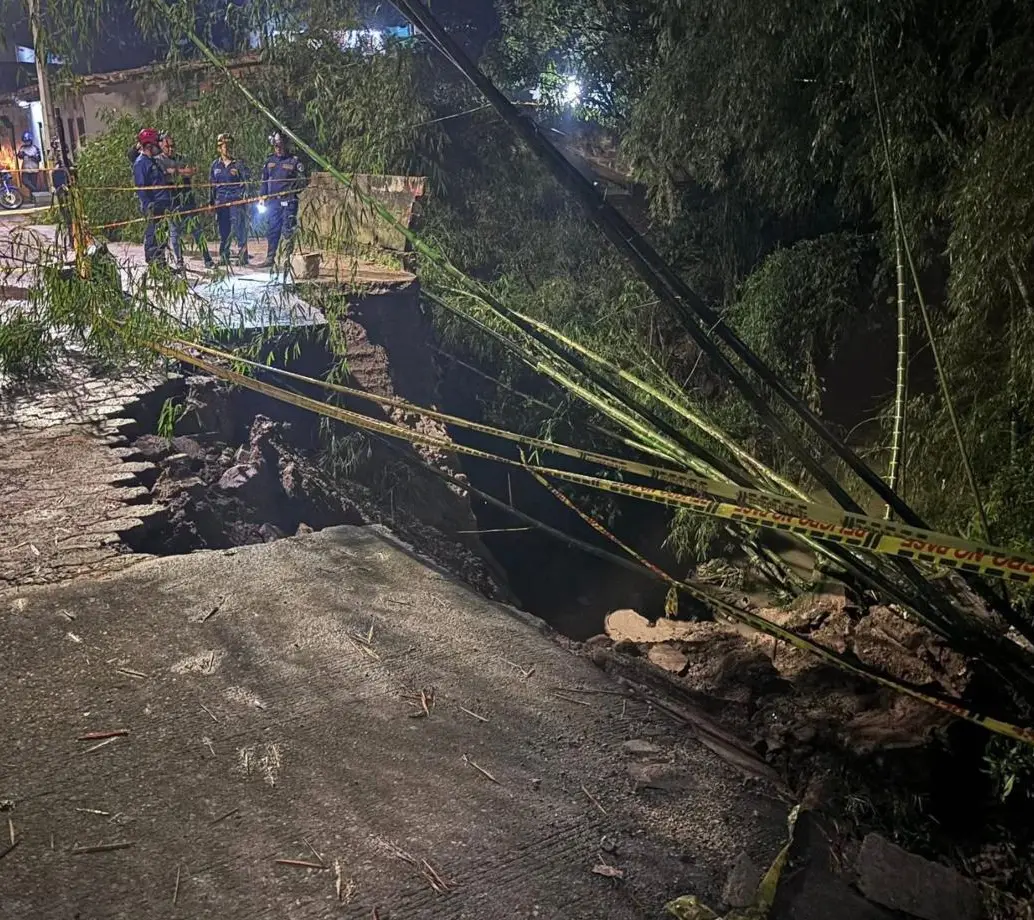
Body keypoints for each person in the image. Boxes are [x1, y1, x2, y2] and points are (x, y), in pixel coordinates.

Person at [157, 132, 214, 270]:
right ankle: (180, 261)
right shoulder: (158, 160)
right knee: (174, 233)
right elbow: (164, 176)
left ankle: (207, 259)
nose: (171, 149)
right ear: (160, 145)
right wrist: (180, 172)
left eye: (173, 146)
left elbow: (193, 170)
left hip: (188, 200)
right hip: (172, 202)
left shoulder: (182, 158)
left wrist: (176, 172)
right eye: (167, 146)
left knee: (197, 231)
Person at [259, 131, 307, 270]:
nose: (278, 148)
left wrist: (294, 190)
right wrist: (262, 196)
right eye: (275, 146)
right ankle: (270, 257)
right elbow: (264, 180)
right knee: (272, 229)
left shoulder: (294, 161)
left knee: (288, 229)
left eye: (280, 145)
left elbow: (303, 180)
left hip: (288, 201)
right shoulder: (269, 161)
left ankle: (287, 259)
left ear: (285, 145)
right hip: (273, 202)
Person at [132, 127, 173, 266]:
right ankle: (154, 264)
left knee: (162, 235)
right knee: (153, 235)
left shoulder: (153, 161)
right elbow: (141, 187)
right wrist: (149, 204)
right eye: (157, 144)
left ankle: (161, 263)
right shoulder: (141, 163)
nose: (159, 147)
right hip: (152, 206)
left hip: (162, 204)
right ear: (149, 146)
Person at [209, 132, 250, 266]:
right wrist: (211, 202)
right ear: (219, 148)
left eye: (229, 146)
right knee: (223, 229)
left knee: (239, 228)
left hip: (236, 200)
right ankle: (224, 255)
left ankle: (243, 255)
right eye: (224, 146)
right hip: (221, 201)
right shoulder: (215, 165)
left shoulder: (238, 165)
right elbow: (212, 186)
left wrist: (245, 196)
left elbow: (246, 182)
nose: (227, 148)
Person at [16, 132, 42, 196]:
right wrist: (21, 154)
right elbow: (19, 156)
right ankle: (35, 190)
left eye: (28, 141)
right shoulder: (22, 148)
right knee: (25, 181)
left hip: (33, 169)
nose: (26, 142)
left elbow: (39, 159)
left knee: (33, 183)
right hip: (25, 169)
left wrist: (31, 156)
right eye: (25, 141)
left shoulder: (35, 148)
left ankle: (34, 197)